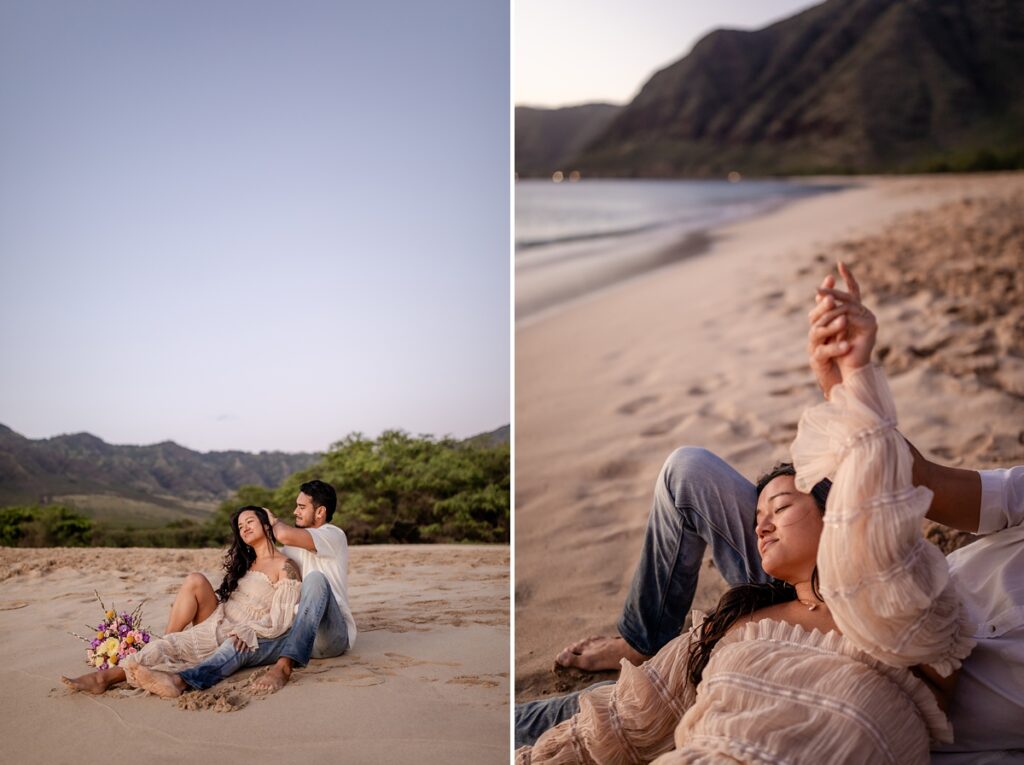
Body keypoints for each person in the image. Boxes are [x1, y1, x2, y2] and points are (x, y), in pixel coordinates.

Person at [517, 264, 1023, 761]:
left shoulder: (911, 628)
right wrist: (846, 387)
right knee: (687, 475)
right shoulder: (755, 616)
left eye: (777, 507)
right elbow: (924, 479)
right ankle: (641, 640)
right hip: (853, 583)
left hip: (893, 632)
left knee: (640, 693)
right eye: (765, 510)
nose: (759, 523)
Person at [123, 479, 358, 698]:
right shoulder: (290, 552)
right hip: (295, 634)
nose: (295, 511)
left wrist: (270, 520)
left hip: (329, 634)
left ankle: (284, 667)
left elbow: (283, 534)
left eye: (301, 507)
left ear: (320, 512)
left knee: (315, 580)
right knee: (239, 643)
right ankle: (181, 681)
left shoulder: (333, 535)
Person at [62, 506, 302, 695]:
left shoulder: (285, 566)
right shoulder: (248, 562)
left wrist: (248, 630)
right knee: (193, 583)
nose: (245, 528)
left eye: (250, 521)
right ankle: (149, 656)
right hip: (219, 618)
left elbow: (281, 619)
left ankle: (104, 678)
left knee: (172, 647)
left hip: (239, 631)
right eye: (240, 526)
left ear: (266, 525)